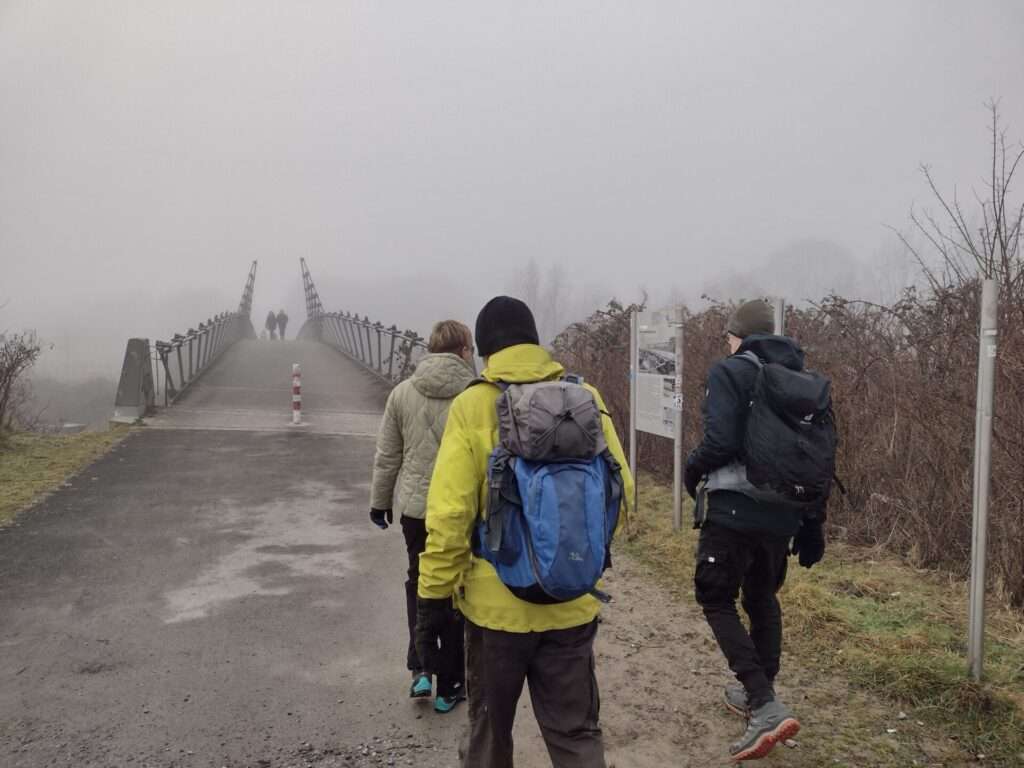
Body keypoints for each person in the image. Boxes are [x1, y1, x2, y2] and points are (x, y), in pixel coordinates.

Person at [416, 296, 633, 768]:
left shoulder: (473, 405)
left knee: (490, 735)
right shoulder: (585, 398)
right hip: (571, 603)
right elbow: (622, 491)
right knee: (576, 734)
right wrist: (576, 554)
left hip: (496, 616)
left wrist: (431, 600)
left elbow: (450, 516)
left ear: (486, 350)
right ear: (536, 341)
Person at [684, 299, 827, 761]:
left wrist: (691, 471)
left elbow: (721, 441)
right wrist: (812, 523)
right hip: (784, 512)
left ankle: (763, 703)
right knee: (762, 598)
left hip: (732, 511)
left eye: (728, 335)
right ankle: (760, 694)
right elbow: (819, 458)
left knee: (715, 597)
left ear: (738, 335)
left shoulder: (730, 371)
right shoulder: (803, 380)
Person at [369, 320, 476, 713]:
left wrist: (380, 502)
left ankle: (420, 670)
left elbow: (387, 456)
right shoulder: (474, 394)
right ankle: (451, 682)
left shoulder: (401, 393)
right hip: (461, 509)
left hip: (416, 509)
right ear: (464, 350)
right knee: (456, 589)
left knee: (419, 581)